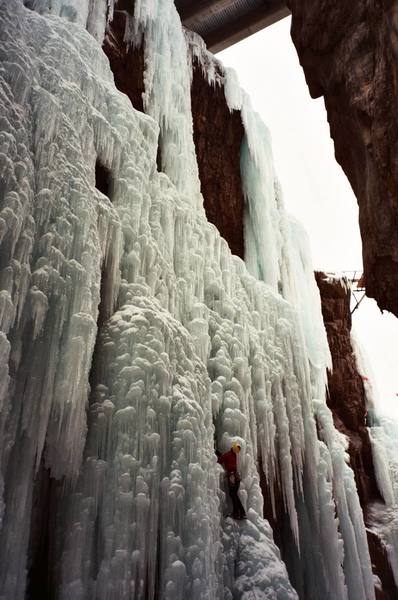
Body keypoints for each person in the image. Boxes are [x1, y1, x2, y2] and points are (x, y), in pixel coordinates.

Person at [217, 442, 246, 520]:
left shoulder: (230, 454)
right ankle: (242, 513)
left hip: (232, 477)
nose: (237, 451)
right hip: (236, 477)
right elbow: (225, 459)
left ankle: (237, 513)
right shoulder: (233, 455)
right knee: (234, 494)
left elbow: (220, 461)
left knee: (233, 494)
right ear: (233, 448)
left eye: (238, 450)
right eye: (237, 449)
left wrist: (217, 455)